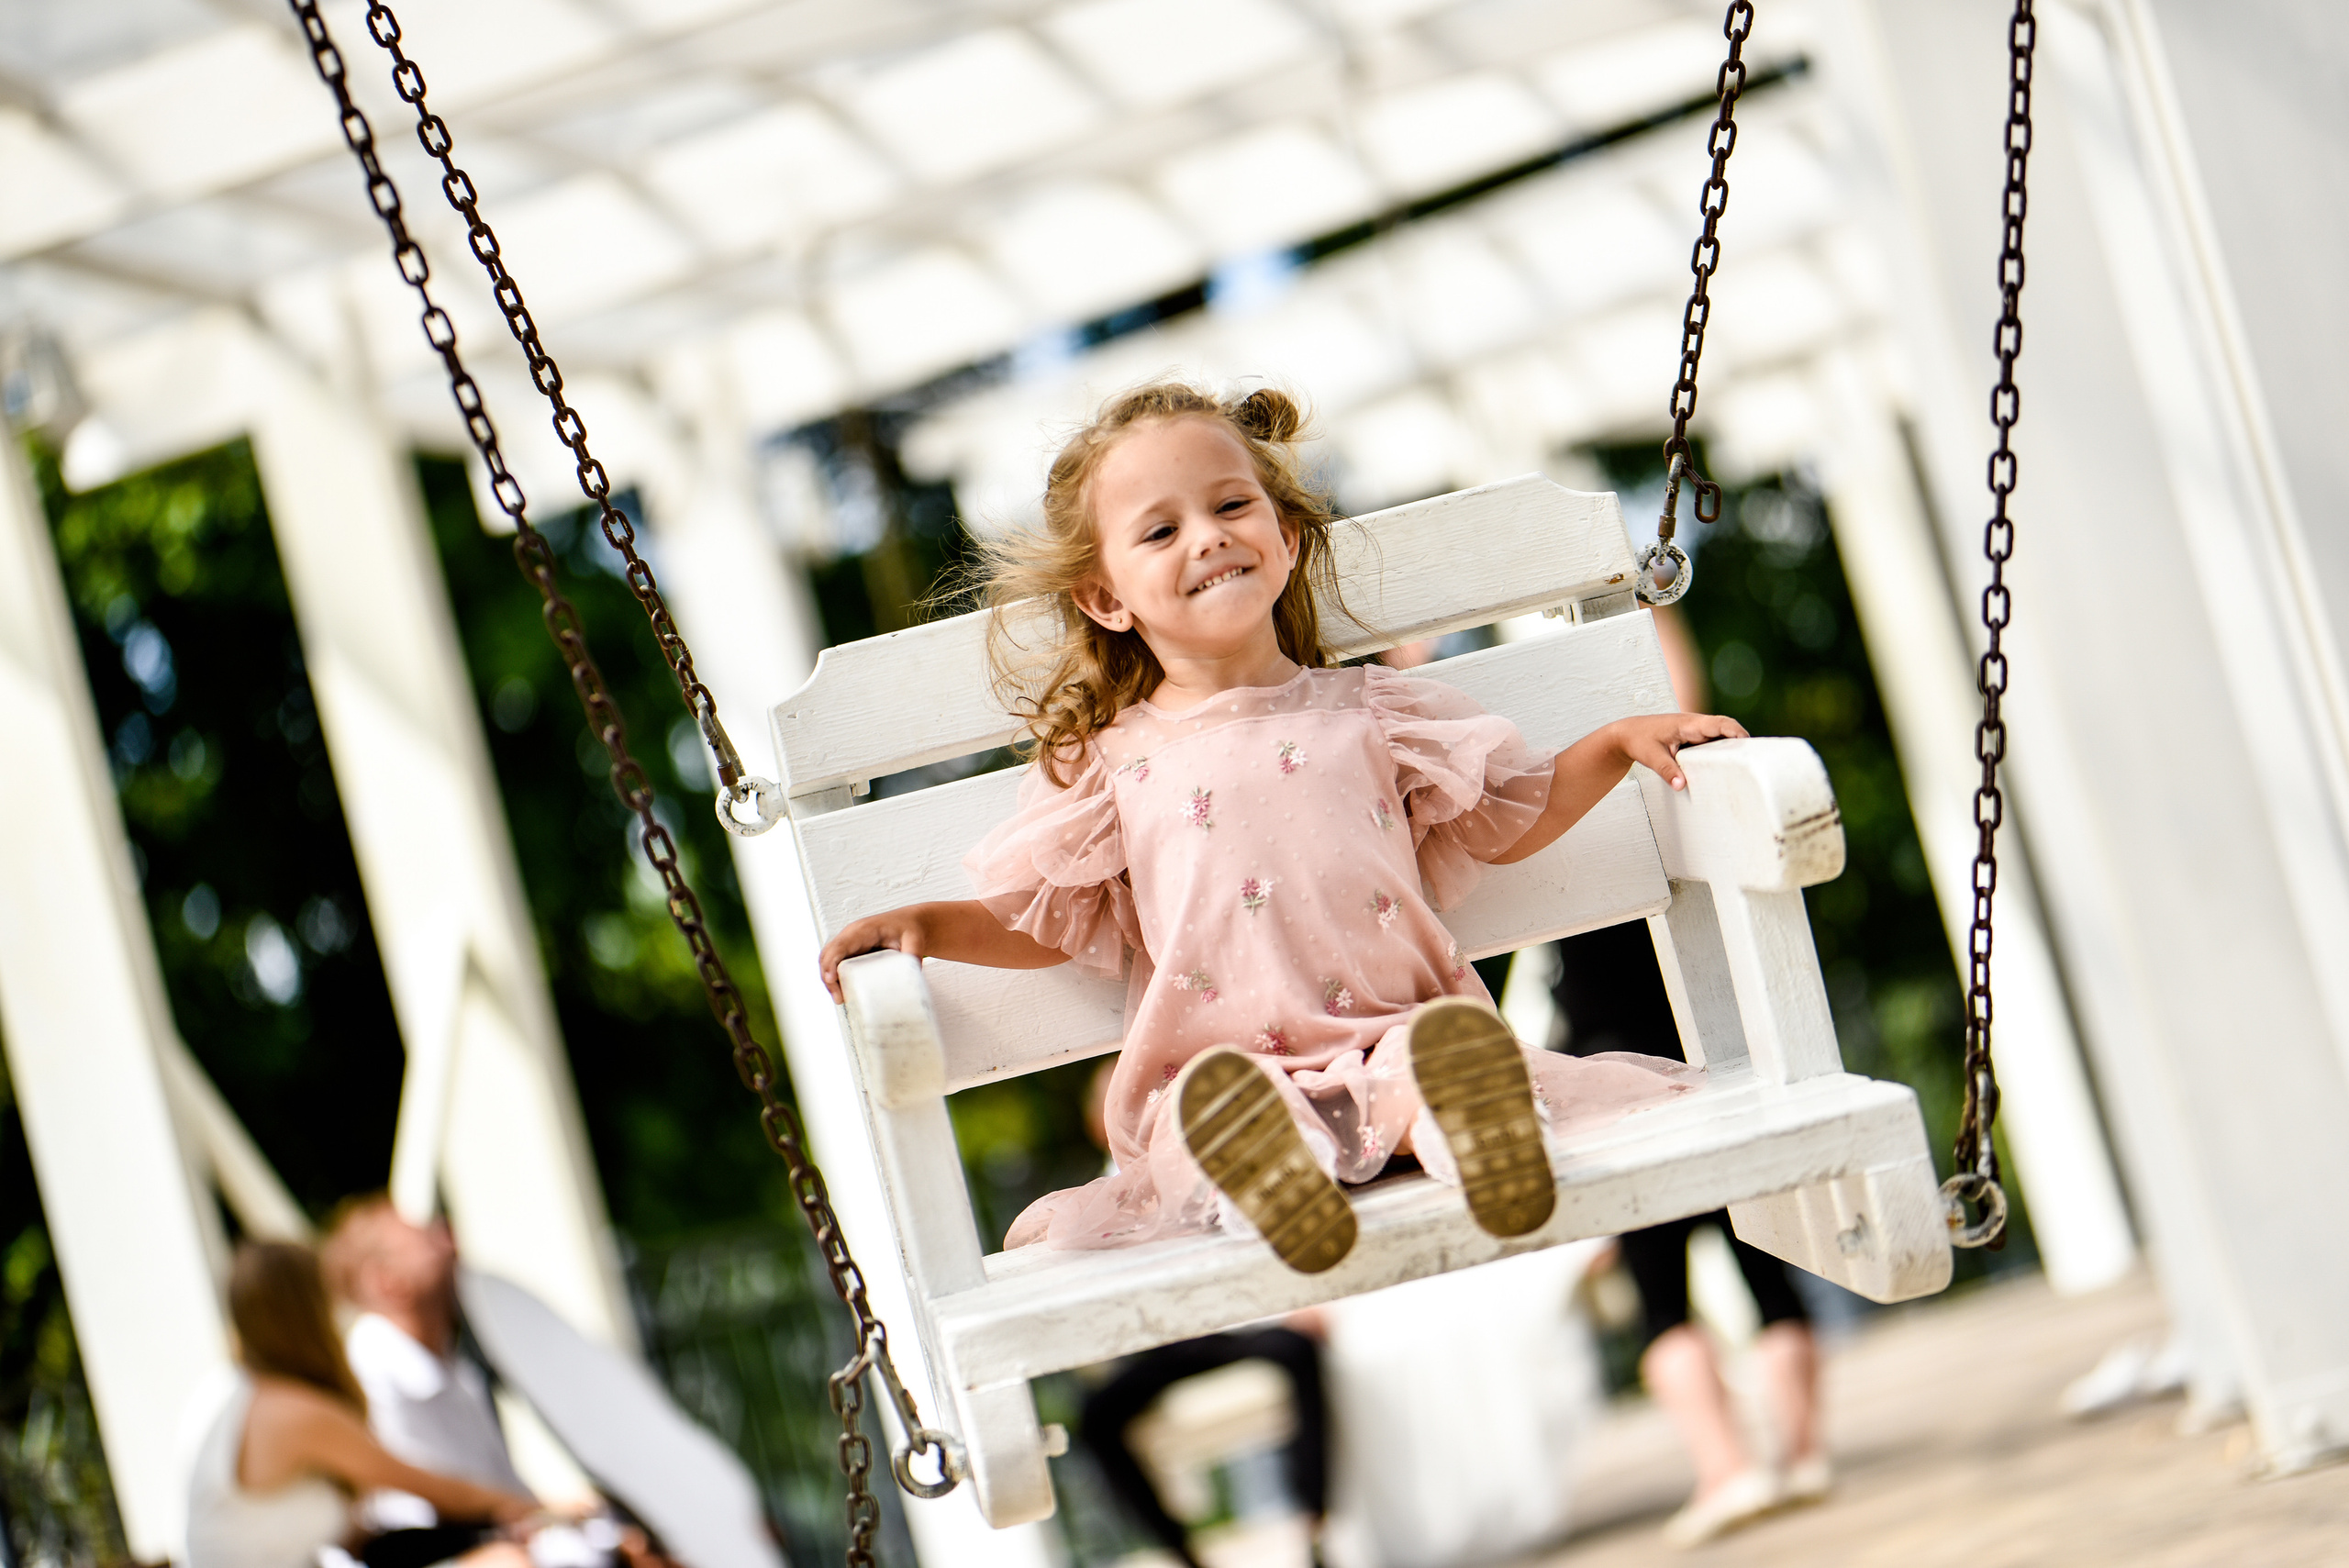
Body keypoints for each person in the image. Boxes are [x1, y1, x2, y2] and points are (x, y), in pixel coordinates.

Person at [818, 379, 1742, 1273]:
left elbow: (1509, 815)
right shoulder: (1109, 767)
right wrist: (931, 927)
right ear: (1106, 596)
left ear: (1287, 538)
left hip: (1397, 1029)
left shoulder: (1376, 713)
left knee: (1433, 1058)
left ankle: (1469, 1135)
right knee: (1208, 1115)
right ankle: (1268, 1178)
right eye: (1161, 529)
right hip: (1215, 1067)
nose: (1209, 537)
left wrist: (1615, 743)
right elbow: (1041, 916)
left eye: (1230, 506)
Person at [1551, 604, 1827, 1550]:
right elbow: (1689, 711)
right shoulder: (1672, 806)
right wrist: (1652, 608)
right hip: (1715, 1047)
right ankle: (1798, 1452)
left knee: (1658, 1288)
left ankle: (1727, 1465)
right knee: (1766, 1262)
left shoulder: (1553, 845)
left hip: (1611, 1070)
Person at [185, 1240, 539, 1568]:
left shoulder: (227, 1394)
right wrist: (542, 1507)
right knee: (507, 1562)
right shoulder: (294, 1412)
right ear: (309, 1311)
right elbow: (435, 1490)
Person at [317, 1199, 539, 1531]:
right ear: (386, 1281)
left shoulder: (451, 1369)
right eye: (427, 1239)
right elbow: (457, 1508)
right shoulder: (376, 1371)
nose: (450, 1242)